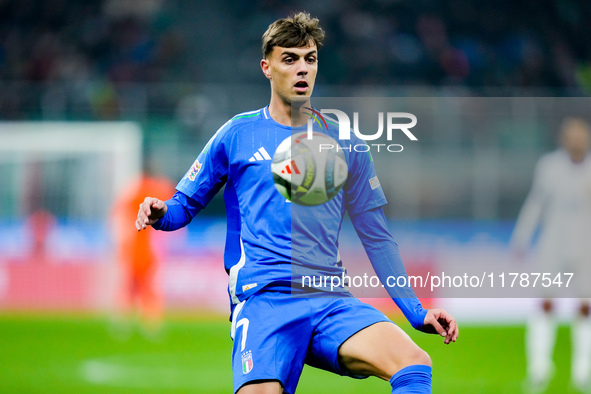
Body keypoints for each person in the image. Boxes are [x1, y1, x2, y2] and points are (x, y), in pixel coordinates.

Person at [136, 12, 458, 394]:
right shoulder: (237, 134)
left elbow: (377, 237)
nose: (302, 68)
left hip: (329, 299)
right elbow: (182, 207)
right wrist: (161, 212)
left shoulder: (346, 143)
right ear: (267, 67)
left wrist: (415, 311)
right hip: (264, 301)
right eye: (290, 59)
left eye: (310, 58)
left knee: (415, 362)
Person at [511, 117, 591, 392]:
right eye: (572, 136)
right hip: (552, 245)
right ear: (563, 139)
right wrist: (522, 236)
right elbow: (536, 202)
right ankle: (539, 368)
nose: (577, 141)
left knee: (585, 308)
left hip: (586, 246)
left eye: (581, 136)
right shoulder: (550, 166)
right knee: (545, 304)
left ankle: (582, 371)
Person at [111, 158, 175, 337]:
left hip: (133, 248)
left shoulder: (136, 189)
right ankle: (151, 324)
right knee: (148, 287)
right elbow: (173, 209)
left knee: (130, 287)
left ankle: (122, 323)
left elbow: (120, 213)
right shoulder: (157, 189)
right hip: (149, 249)